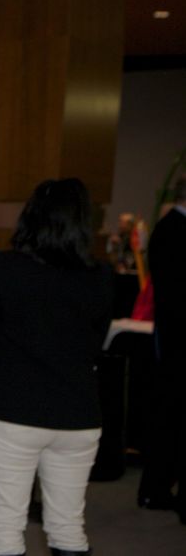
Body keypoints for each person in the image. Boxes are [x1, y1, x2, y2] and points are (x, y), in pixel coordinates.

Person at [0, 178, 113, 556]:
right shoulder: (100, 276)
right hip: (78, 413)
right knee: (68, 528)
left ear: (31, 216)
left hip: (12, 409)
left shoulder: (4, 266)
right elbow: (96, 344)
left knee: (5, 526)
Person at [137, 175, 186, 522]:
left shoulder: (170, 228)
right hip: (176, 343)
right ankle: (156, 489)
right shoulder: (172, 230)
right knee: (170, 418)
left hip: (173, 341)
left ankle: (158, 487)